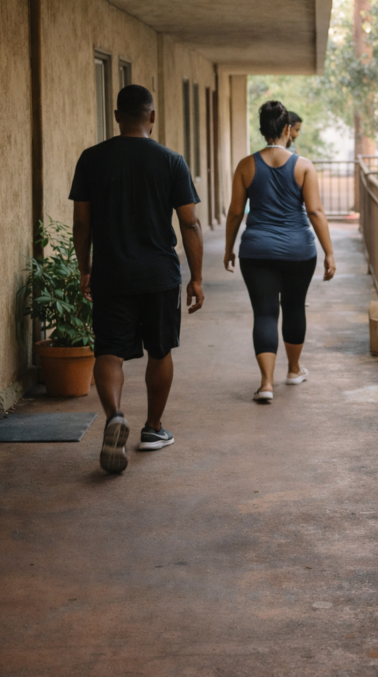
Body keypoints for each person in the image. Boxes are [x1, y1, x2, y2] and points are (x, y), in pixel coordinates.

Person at [71, 84, 205, 475]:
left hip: (112, 273)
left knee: (109, 352)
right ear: (152, 117)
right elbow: (190, 223)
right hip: (160, 274)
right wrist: (196, 278)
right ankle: (153, 429)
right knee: (160, 351)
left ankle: (115, 416)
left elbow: (82, 222)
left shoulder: (92, 159)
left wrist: (85, 268)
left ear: (116, 117)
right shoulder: (171, 161)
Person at [224, 101, 335, 401]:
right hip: (299, 251)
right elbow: (315, 211)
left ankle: (266, 384)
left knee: (265, 312)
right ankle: (294, 370)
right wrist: (329, 252)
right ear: (288, 129)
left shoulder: (246, 165)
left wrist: (228, 249)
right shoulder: (303, 166)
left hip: (256, 251)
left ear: (262, 130)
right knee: (294, 307)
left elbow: (235, 213)